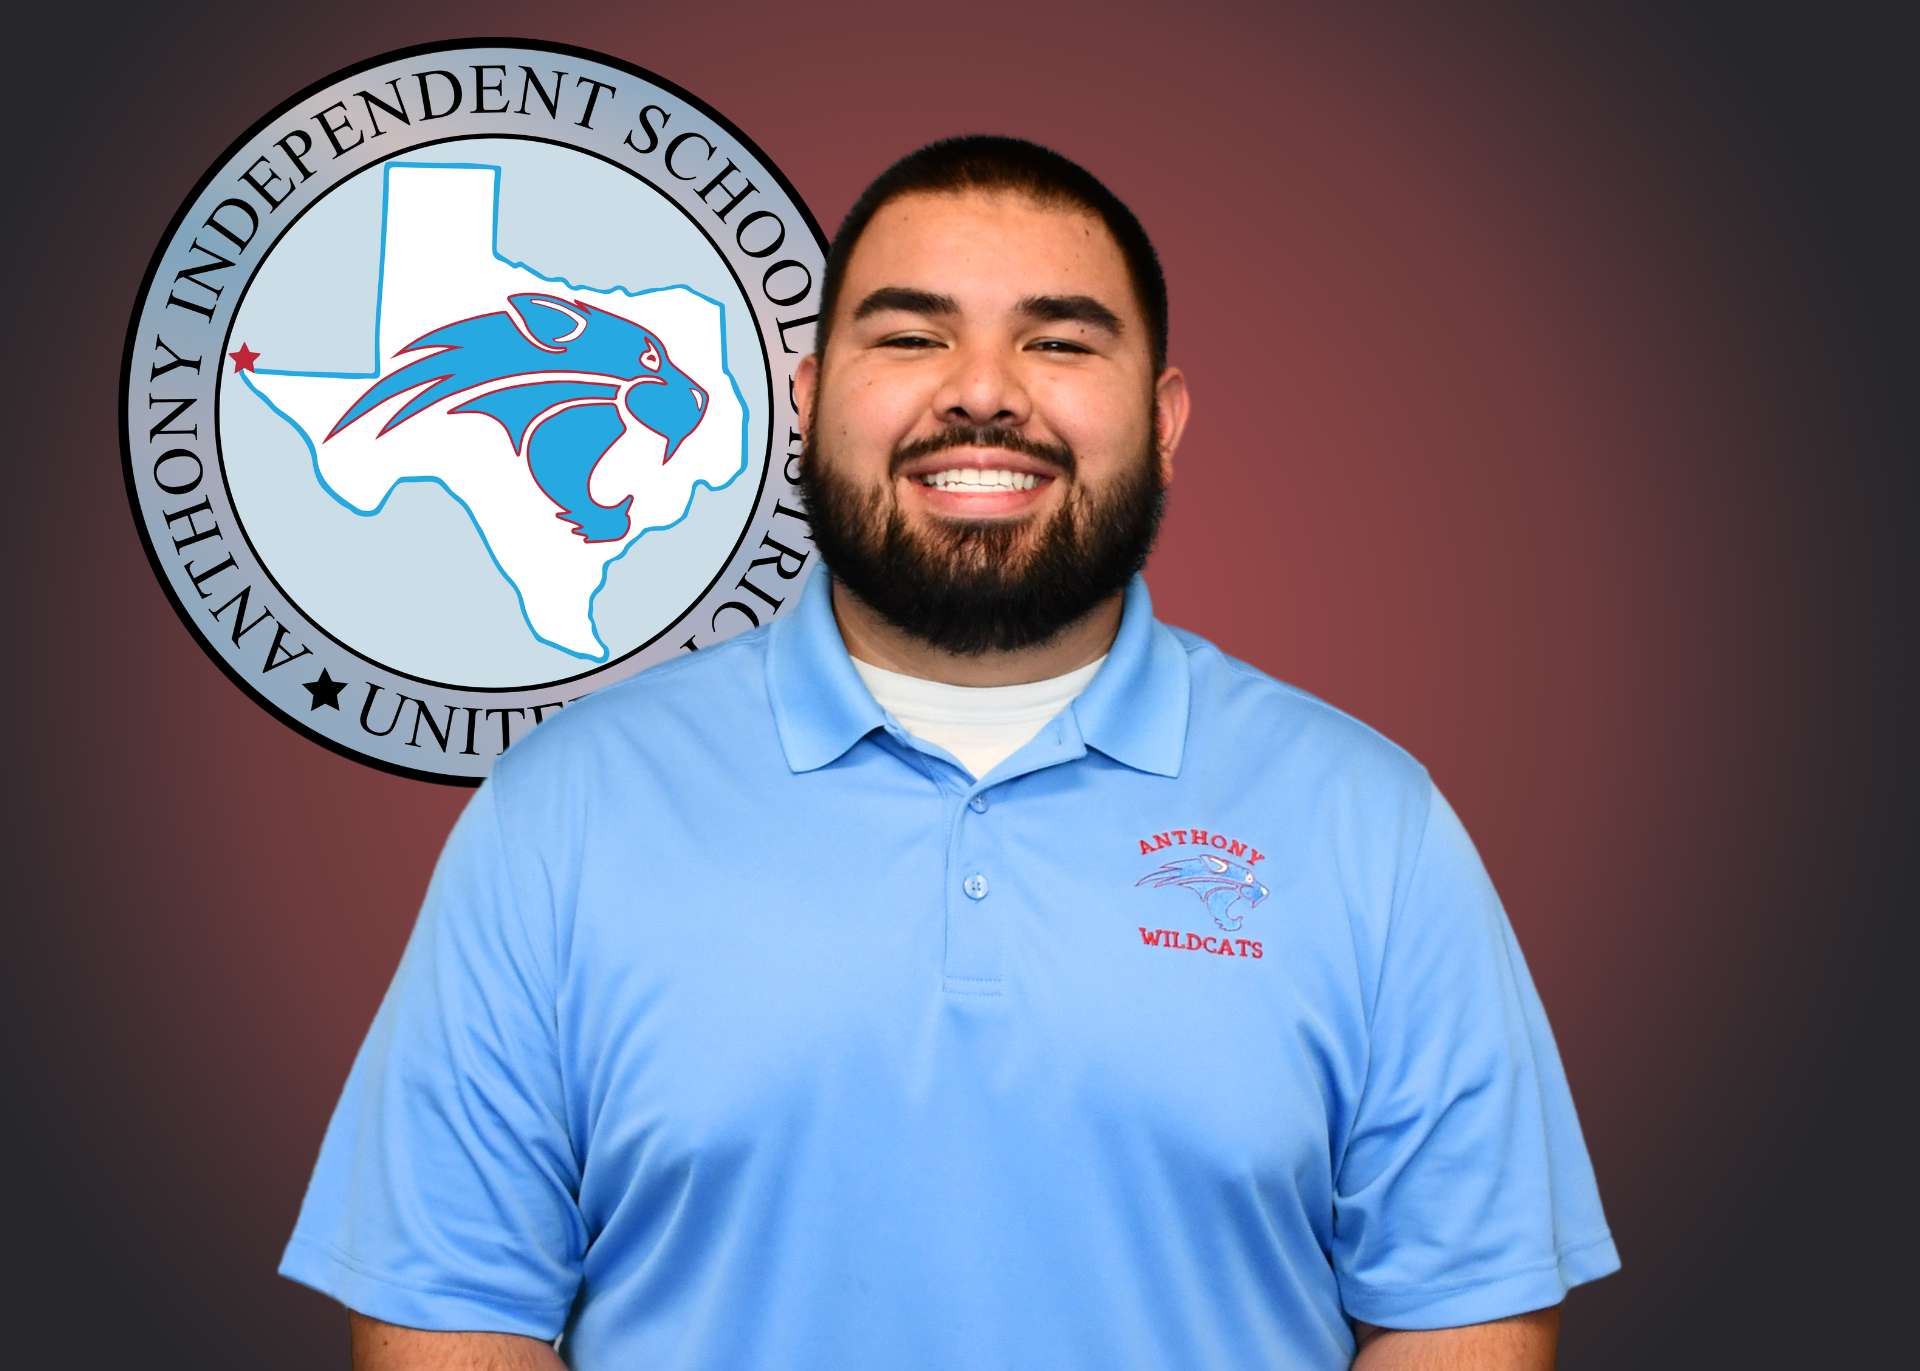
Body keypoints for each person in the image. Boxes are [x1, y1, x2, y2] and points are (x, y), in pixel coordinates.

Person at [283, 136, 1618, 1371]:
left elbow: (1462, 1314)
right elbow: (450, 1305)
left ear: (1165, 421)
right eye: (912, 334)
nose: (983, 394)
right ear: (809, 401)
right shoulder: (563, 811)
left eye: (1061, 343)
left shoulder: (1369, 824)